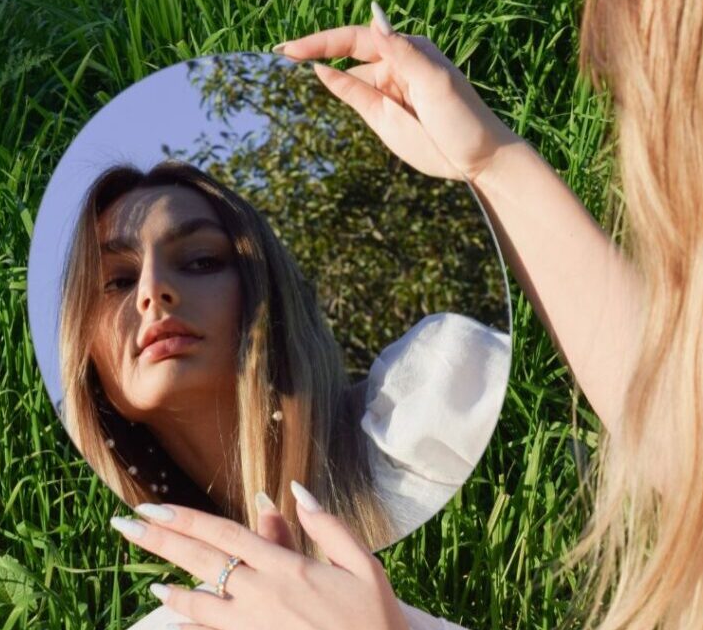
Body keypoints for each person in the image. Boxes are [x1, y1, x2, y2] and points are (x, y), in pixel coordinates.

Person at [105, 0, 703, 630]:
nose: (634, 162)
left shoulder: (414, 418)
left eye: (645, 107)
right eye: (112, 278)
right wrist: (492, 161)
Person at [59, 160, 512, 560]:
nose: (152, 291)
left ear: (264, 293)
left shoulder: (429, 406)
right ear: (85, 352)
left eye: (200, 261)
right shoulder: (118, 563)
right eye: (117, 281)